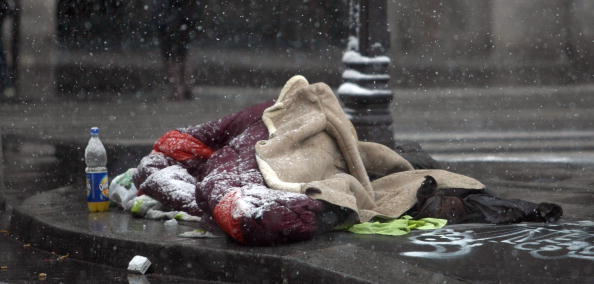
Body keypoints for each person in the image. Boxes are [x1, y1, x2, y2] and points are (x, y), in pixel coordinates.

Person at [127, 76, 562, 246]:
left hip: (285, 162)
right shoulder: (237, 139)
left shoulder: (243, 138)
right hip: (315, 164)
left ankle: (323, 209)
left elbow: (171, 153)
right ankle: (453, 199)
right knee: (383, 181)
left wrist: (171, 174)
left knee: (237, 202)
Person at [158, 0, 207, 100]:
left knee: (171, 50)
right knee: (186, 48)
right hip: (190, 8)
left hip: (172, 8)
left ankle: (176, 87)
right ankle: (187, 86)